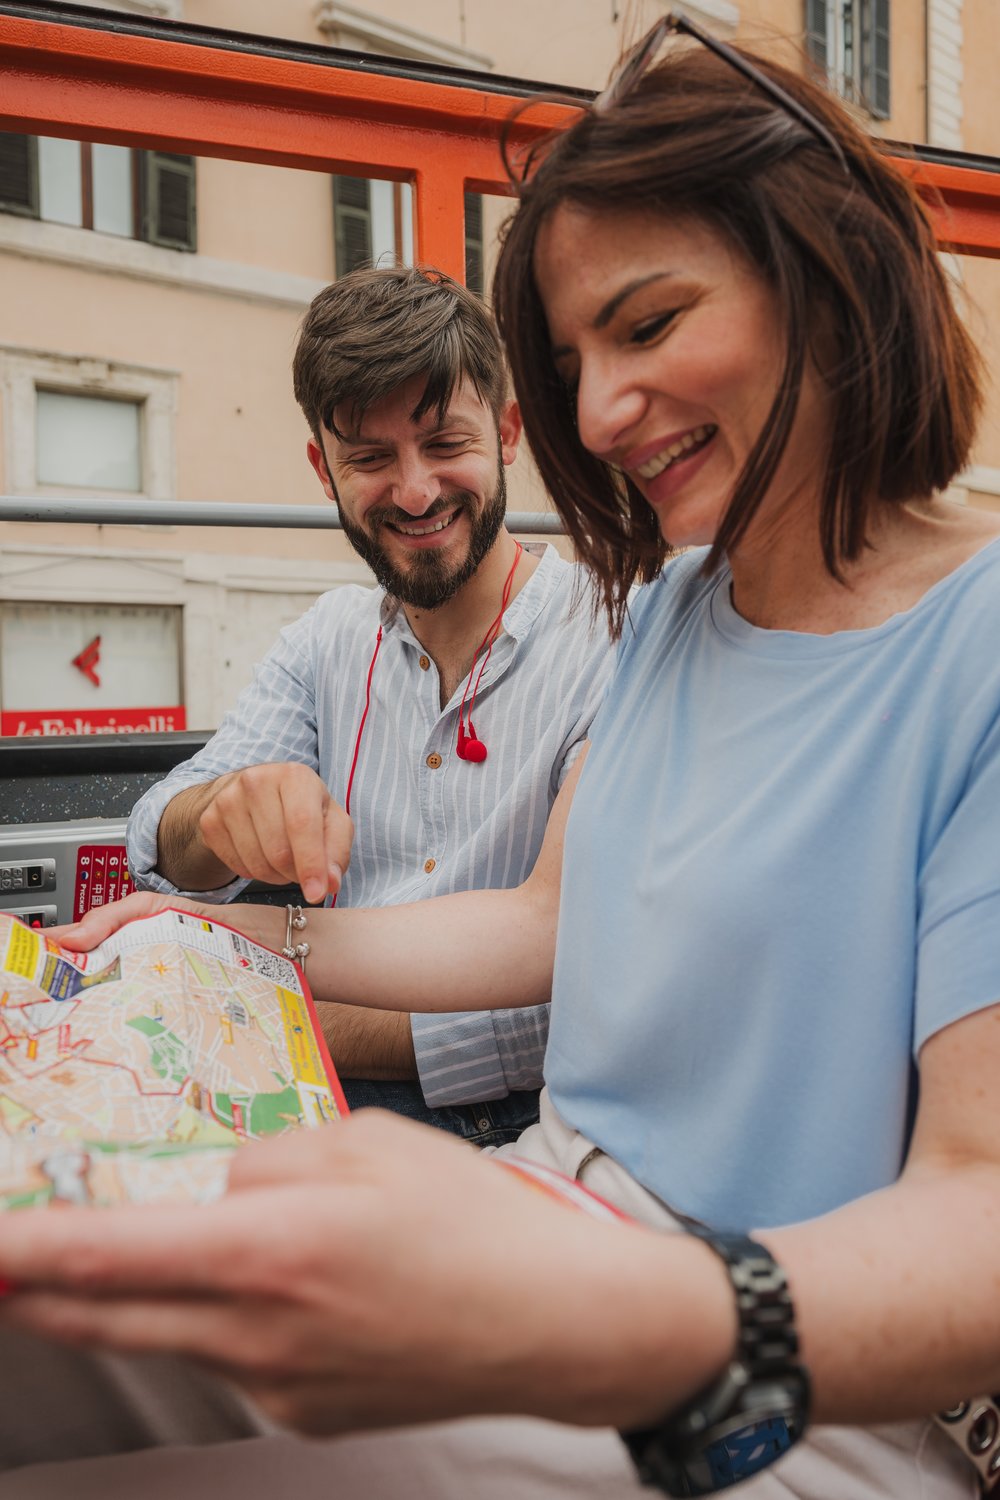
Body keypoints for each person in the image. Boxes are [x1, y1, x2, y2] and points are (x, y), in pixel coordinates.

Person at [3, 23, 1000, 1500]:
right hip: (555, 1216)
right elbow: (547, 920)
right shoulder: (673, 604)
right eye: (580, 359)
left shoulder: (974, 646)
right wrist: (234, 931)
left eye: (649, 326)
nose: (600, 414)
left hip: (782, 1385)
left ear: (827, 275)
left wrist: (584, 1316)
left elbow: (979, 1220)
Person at [125, 265, 612, 1147]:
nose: (417, 491)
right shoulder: (328, 638)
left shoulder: (613, 636)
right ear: (324, 470)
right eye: (370, 458)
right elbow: (165, 839)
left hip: (530, 1115)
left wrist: (329, 1017)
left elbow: (585, 981)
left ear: (507, 431)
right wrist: (224, 815)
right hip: (319, 1084)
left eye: (445, 443)